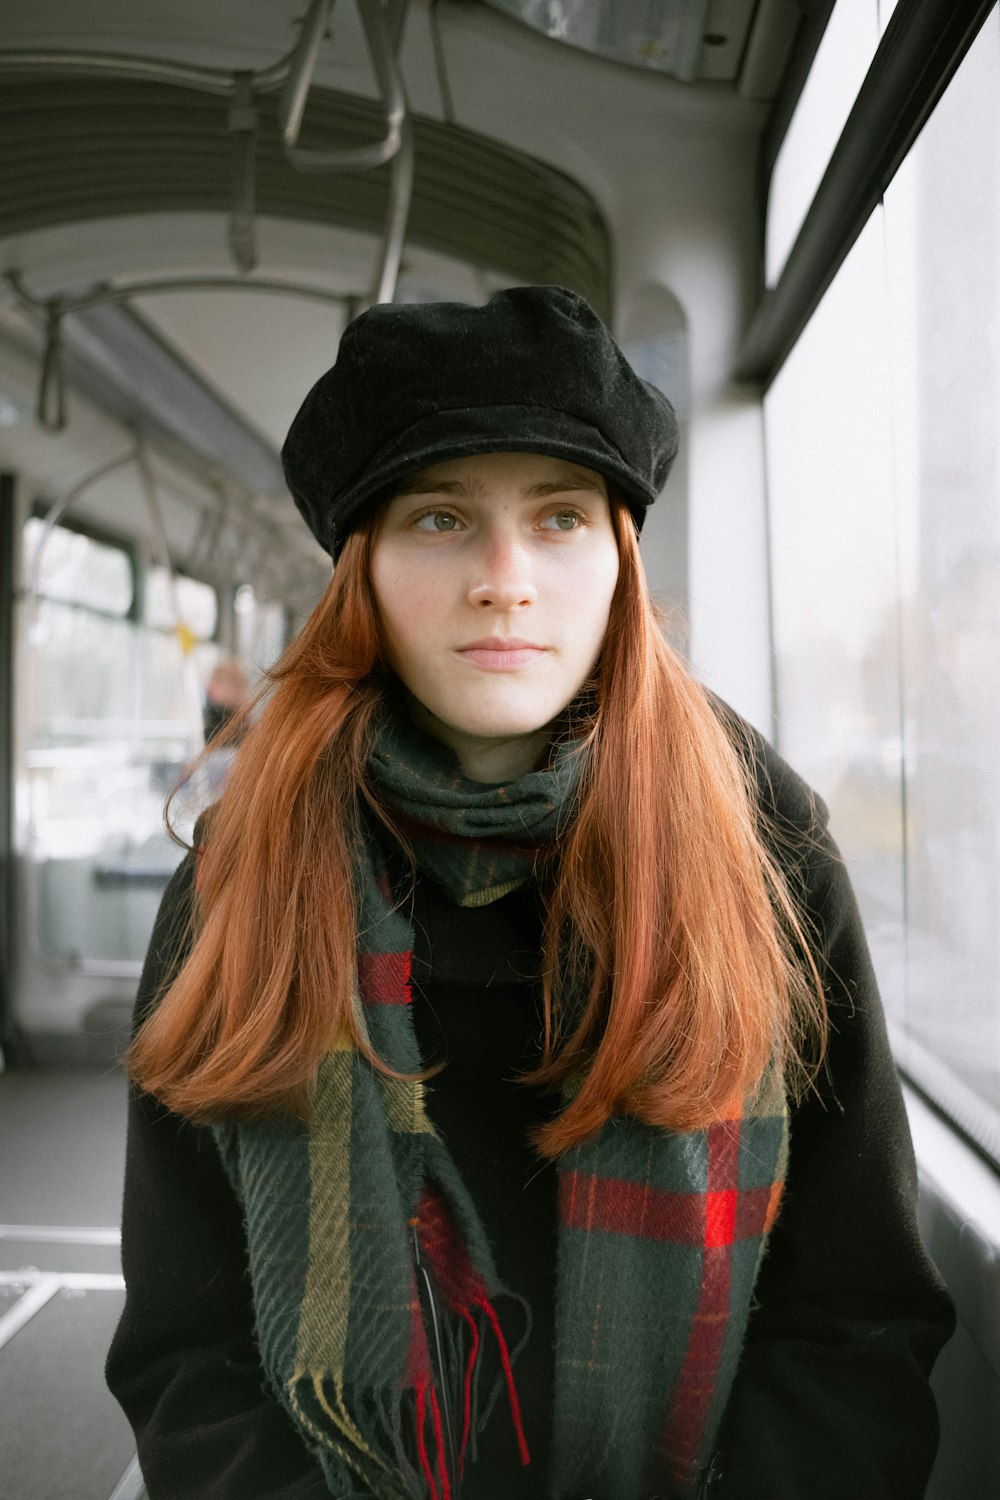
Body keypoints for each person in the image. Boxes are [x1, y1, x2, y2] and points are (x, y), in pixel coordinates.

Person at [106, 286, 954, 1500]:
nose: (504, 580)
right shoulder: (243, 882)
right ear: (363, 570)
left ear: (618, 563)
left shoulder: (762, 853)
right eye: (441, 518)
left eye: (558, 519)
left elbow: (855, 1319)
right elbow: (190, 1354)